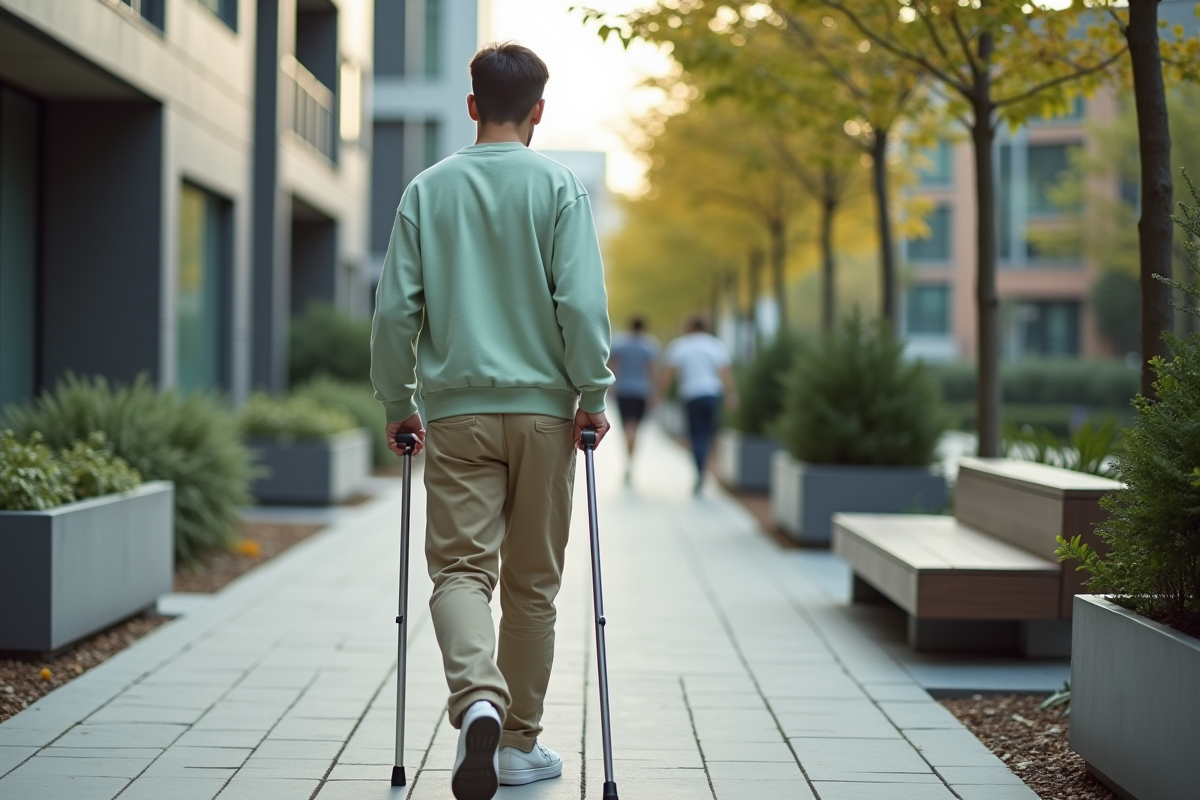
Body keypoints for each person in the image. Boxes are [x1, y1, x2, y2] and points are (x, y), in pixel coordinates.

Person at [369, 42, 614, 800]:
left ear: (471, 105)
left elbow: (393, 313)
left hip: (457, 415)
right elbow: (579, 304)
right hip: (546, 416)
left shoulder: (428, 190)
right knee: (533, 586)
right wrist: (593, 396)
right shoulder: (560, 187)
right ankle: (517, 747)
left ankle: (477, 695)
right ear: (539, 109)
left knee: (459, 572)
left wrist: (397, 401)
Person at [660, 317, 737, 495]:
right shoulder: (715, 345)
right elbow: (724, 371)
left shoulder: (680, 345)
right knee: (709, 433)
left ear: (689, 327)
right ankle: (706, 469)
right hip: (711, 394)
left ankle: (700, 471)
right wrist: (731, 394)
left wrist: (661, 393)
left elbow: (669, 372)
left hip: (691, 395)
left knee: (695, 435)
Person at [607, 316, 659, 481]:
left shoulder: (620, 344)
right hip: (641, 391)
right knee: (635, 426)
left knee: (626, 426)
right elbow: (651, 370)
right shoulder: (649, 345)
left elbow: (612, 365)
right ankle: (631, 460)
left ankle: (628, 459)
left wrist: (609, 387)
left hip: (623, 390)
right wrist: (654, 392)